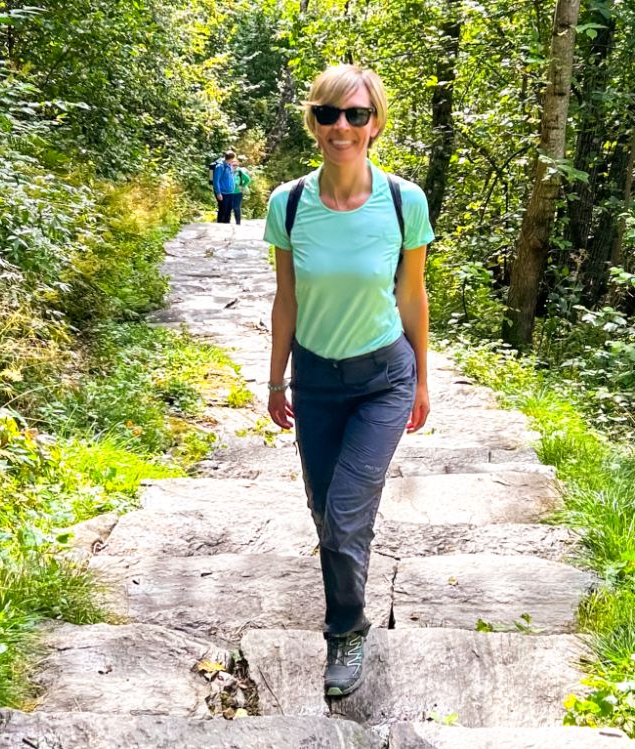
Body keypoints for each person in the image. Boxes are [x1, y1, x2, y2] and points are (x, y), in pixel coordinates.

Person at [263, 64, 434, 698]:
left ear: (375, 124)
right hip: (314, 379)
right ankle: (349, 593)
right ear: (313, 123)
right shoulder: (288, 203)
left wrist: (420, 379)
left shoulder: (402, 201)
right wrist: (277, 379)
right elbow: (287, 298)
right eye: (330, 114)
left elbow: (412, 295)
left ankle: (345, 631)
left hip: (383, 378)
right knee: (323, 510)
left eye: (356, 115)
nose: (343, 127)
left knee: (342, 513)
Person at [213, 149, 237, 223]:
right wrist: (218, 193)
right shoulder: (220, 167)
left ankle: (227, 229)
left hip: (230, 192)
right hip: (223, 193)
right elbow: (216, 181)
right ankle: (219, 228)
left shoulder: (230, 165)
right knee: (223, 211)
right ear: (230, 159)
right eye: (233, 159)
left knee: (229, 211)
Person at [228, 158, 251, 225]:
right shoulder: (228, 171)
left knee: (236, 208)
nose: (234, 166)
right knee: (228, 208)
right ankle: (227, 223)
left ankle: (238, 223)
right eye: (233, 165)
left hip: (238, 193)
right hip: (228, 193)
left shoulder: (239, 172)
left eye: (236, 165)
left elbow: (247, 179)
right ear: (230, 164)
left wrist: (242, 186)